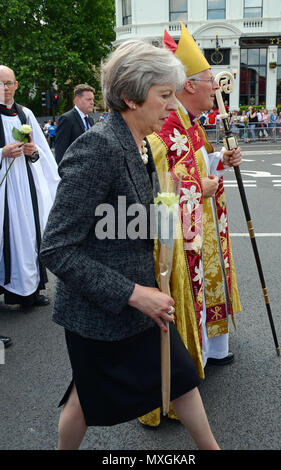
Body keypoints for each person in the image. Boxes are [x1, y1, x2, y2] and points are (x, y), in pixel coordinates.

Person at [40, 40, 220, 451]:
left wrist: (175, 214)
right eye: (164, 95)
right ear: (130, 96)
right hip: (100, 311)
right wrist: (136, 295)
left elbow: (130, 221)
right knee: (83, 402)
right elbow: (56, 248)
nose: (173, 106)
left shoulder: (139, 143)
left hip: (141, 301)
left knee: (181, 377)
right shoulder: (98, 147)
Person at [139, 23, 242, 427]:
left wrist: (218, 163)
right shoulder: (166, 125)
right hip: (178, 232)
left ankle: (198, 358)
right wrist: (201, 184)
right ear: (188, 86)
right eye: (209, 83)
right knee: (180, 298)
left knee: (196, 298)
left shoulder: (191, 121)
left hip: (199, 222)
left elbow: (195, 164)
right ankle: (173, 383)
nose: (214, 90)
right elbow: (160, 183)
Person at [0, 65, 59, 308]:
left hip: (26, 188)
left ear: (16, 85)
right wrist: (2, 153)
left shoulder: (25, 114)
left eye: (9, 83)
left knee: (30, 236)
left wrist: (32, 152)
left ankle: (29, 293)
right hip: (4, 191)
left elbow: (43, 153)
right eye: (1, 84)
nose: (5, 89)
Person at [55, 84, 95, 164]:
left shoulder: (90, 119)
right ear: (77, 100)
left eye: (93, 99)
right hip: (74, 171)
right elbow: (61, 151)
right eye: (89, 99)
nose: (92, 103)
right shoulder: (67, 119)